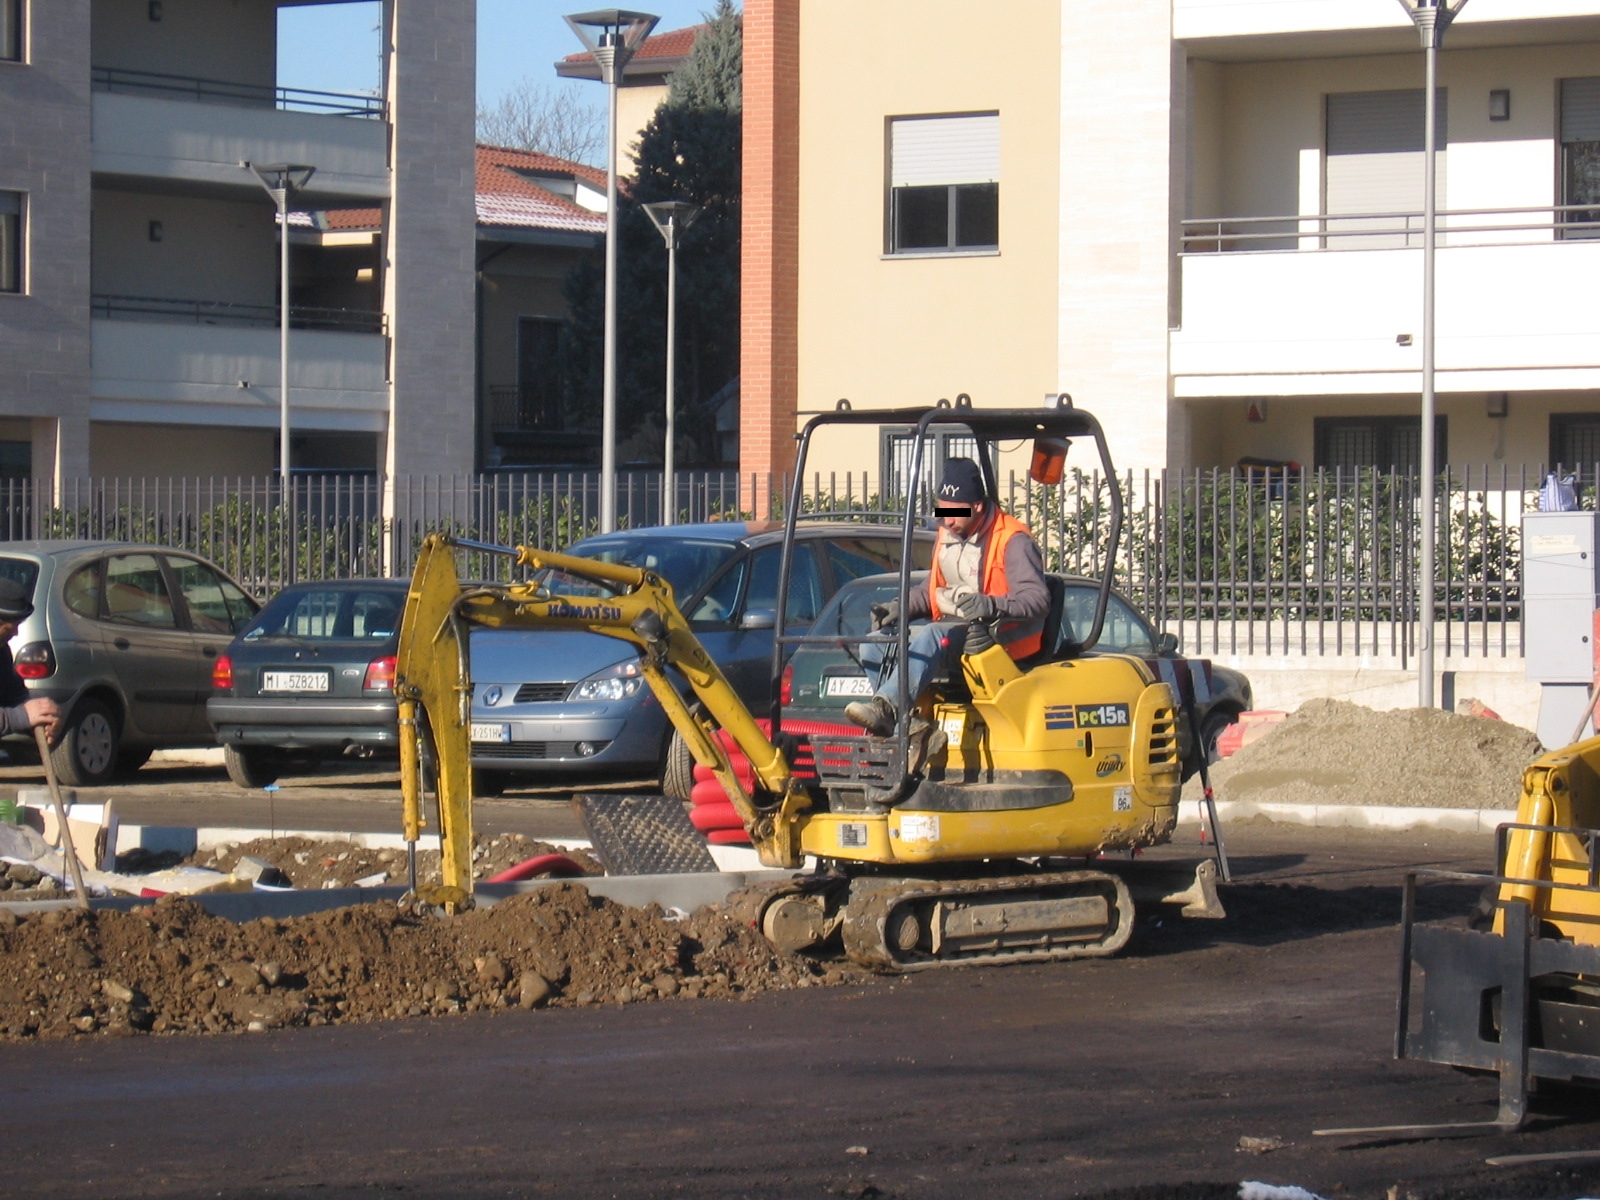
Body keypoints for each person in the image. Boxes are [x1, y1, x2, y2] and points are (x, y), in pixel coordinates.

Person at [844, 457, 1050, 736]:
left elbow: (1037, 599)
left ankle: (888, 709)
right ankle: (909, 725)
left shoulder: (1013, 540)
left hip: (995, 639)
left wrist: (991, 605)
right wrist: (897, 608)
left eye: (955, 512)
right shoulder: (948, 534)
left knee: (932, 635)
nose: (948, 519)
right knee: (874, 644)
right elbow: (932, 591)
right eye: (943, 510)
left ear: (977, 506)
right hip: (953, 633)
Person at [0, 579, 59, 742]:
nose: (16, 633)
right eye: (10, 628)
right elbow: (19, 714)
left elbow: (12, 694)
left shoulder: (2, 651)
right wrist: (23, 716)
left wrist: (39, 713)